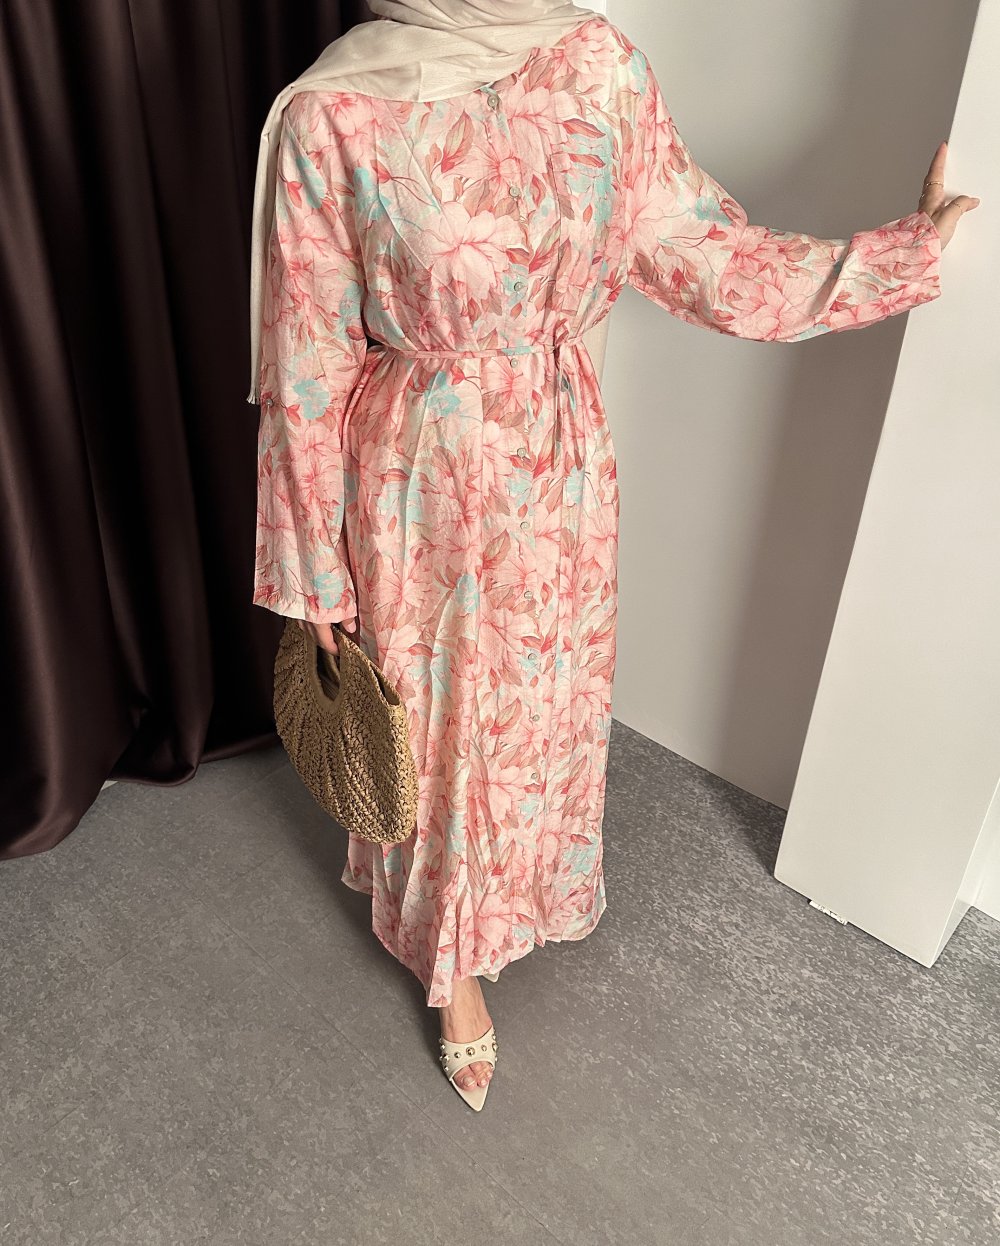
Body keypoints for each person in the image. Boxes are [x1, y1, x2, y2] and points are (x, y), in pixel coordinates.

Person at [250, 0, 980, 1111]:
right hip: (418, 481)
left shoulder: (595, 64)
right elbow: (306, 368)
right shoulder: (334, 111)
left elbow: (705, 254)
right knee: (437, 733)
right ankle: (451, 966)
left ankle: (520, 898)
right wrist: (314, 578)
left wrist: (898, 258)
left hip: (560, 463)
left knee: (539, 713)